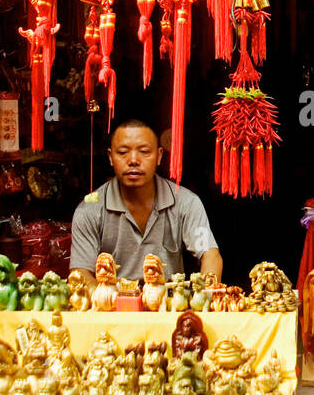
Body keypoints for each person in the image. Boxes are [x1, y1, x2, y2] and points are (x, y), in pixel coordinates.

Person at [70, 119, 223, 286]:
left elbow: (210, 256)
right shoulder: (89, 209)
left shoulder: (186, 202)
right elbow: (80, 273)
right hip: (112, 307)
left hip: (167, 305)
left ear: (159, 156)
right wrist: (110, 302)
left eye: (144, 151)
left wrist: (204, 296)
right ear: (110, 157)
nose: (133, 160)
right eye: (123, 152)